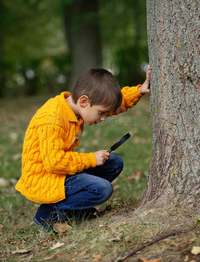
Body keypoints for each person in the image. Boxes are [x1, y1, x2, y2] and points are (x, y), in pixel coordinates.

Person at [15, 66, 150, 231]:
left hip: (61, 171)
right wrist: (91, 159)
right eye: (101, 113)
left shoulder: (77, 108)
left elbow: (112, 105)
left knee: (114, 162)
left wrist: (139, 92)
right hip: (48, 176)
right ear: (84, 101)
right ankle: (48, 214)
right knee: (102, 189)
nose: (103, 118)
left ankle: (76, 209)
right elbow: (54, 163)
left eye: (105, 114)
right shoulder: (52, 118)